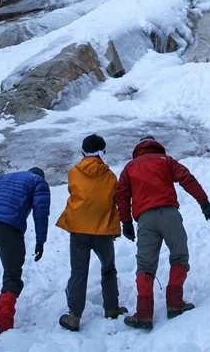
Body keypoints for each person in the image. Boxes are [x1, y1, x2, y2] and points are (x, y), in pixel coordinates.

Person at [116, 135, 210, 330]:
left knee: (145, 264)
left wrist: (126, 221)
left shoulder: (130, 167)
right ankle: (175, 304)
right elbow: (187, 178)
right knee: (179, 256)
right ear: (155, 146)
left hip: (145, 219)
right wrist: (203, 201)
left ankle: (144, 314)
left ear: (139, 148)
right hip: (170, 215)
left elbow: (122, 194)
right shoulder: (166, 161)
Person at [55, 134, 129, 332]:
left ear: (82, 153)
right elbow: (115, 200)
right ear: (103, 153)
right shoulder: (111, 176)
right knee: (108, 269)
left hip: (79, 229)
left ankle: (73, 316)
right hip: (103, 230)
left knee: (78, 272)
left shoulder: (73, 172)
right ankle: (112, 307)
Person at [0, 166, 51, 335]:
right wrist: (40, 241)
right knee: (12, 274)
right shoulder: (39, 182)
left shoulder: (4, 178)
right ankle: (3, 324)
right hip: (10, 228)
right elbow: (40, 213)